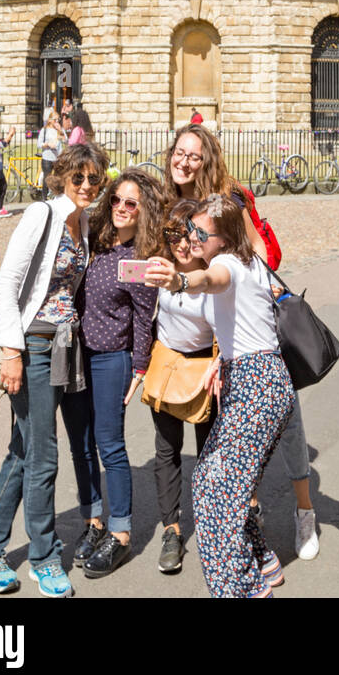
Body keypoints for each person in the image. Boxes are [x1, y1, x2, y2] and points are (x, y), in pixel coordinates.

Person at [164, 122, 320, 560]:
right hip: (215, 330)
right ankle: (248, 534)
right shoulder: (175, 202)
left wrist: (236, 282)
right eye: (180, 152)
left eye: (194, 155)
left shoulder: (226, 199)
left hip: (254, 330)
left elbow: (260, 254)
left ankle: (305, 511)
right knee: (236, 441)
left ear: (207, 160)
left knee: (288, 425)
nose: (184, 161)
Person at [0, 141, 110, 598]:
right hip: (32, 345)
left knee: (25, 450)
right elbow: (6, 285)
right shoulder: (42, 215)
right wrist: (12, 352)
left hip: (64, 345)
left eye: (95, 178)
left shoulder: (83, 222)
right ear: (62, 177)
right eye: (79, 177)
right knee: (44, 455)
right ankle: (45, 559)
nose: (87, 185)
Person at [146, 193, 295, 598]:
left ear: (225, 237)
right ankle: (260, 566)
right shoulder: (250, 262)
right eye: (190, 229)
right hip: (256, 378)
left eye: (200, 232)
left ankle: (239, 589)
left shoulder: (226, 264)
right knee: (225, 485)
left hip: (256, 385)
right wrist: (221, 361)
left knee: (215, 495)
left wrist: (179, 280)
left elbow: (209, 281)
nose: (191, 238)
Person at [70, 169, 165, 579]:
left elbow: (145, 319)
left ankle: (121, 531)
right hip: (77, 355)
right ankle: (93, 520)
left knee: (110, 445)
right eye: (117, 200)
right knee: (81, 443)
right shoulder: (99, 243)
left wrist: (139, 367)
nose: (122, 208)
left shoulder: (140, 259)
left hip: (113, 359)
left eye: (132, 203)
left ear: (143, 211)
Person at [149, 197, 218, 574]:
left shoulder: (213, 273)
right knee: (166, 451)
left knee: (209, 454)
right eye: (173, 234)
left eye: (189, 235)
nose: (181, 243)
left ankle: (211, 525)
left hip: (206, 368)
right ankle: (171, 531)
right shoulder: (161, 269)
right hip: (168, 364)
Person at [40, 110, 66, 196]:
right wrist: (47, 144)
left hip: (58, 158)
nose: (57, 122)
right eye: (55, 120)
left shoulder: (59, 129)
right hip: (47, 158)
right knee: (47, 178)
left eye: (58, 120)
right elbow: (39, 144)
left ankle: (56, 195)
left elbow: (66, 141)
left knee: (58, 178)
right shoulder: (44, 130)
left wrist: (61, 130)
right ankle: (45, 197)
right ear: (50, 120)